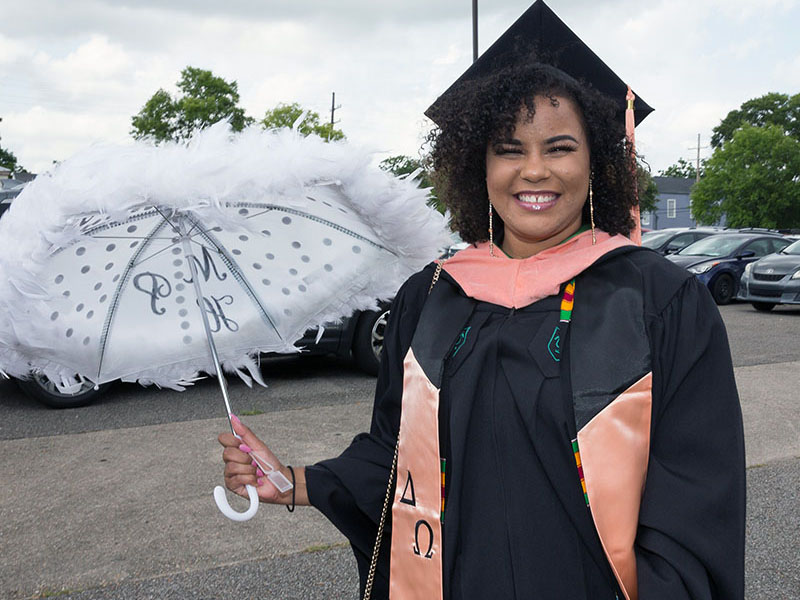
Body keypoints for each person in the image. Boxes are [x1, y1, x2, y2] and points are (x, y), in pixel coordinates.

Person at [220, 5, 745, 599]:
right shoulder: (433, 296)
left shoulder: (659, 301)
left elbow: (695, 501)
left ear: (596, 161)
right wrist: (293, 482)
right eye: (509, 149)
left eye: (560, 147)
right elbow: (396, 456)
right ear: (482, 165)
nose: (535, 171)